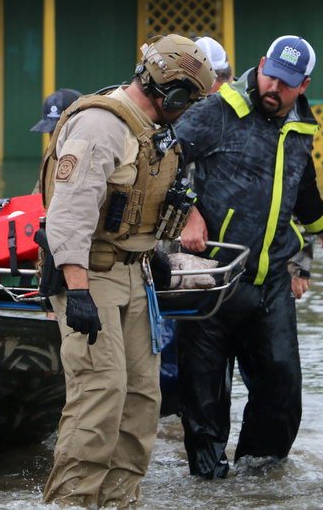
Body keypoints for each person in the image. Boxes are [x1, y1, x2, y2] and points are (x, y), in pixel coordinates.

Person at [39, 34, 215, 507]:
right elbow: (69, 214)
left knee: (141, 398)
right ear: (171, 93)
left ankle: (119, 502)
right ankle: (70, 503)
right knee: (99, 395)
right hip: (89, 274)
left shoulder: (151, 127)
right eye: (189, 101)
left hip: (135, 272)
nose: (189, 110)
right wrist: (76, 291)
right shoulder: (100, 127)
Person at [174, 34, 323, 479]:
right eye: (271, 76)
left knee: (282, 389)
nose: (274, 89)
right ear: (261, 63)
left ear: (303, 85)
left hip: (269, 283)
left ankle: (260, 486)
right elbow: (163, 157)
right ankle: (207, 488)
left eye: (287, 84)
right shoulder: (218, 109)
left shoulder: (304, 125)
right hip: (211, 279)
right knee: (206, 401)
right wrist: (188, 212)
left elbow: (302, 192)